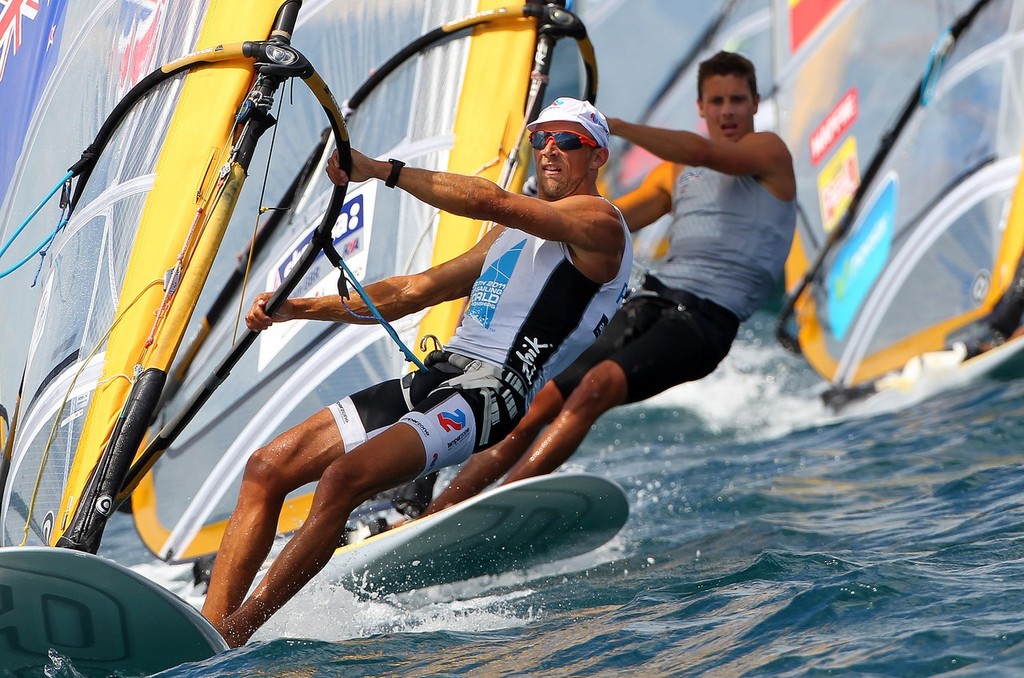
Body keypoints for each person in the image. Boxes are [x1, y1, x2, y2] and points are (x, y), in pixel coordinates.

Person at [200, 97, 632, 647]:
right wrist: (299, 308)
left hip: (486, 397)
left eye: (567, 141)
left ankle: (239, 632)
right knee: (266, 469)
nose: (550, 149)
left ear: (596, 158)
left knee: (342, 480)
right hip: (437, 375)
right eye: (541, 137)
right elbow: (412, 291)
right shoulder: (510, 237)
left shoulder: (601, 224)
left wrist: (383, 171)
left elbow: (490, 200)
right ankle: (209, 632)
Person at [420, 50, 797, 514]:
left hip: (705, 322)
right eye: (716, 101)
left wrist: (610, 126)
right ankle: (435, 513)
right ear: (700, 107)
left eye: (737, 99)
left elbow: (702, 151)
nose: (727, 111)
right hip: (652, 300)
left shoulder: (769, 154)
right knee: (534, 399)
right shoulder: (674, 175)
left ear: (756, 103)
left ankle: (495, 510)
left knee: (595, 387)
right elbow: (603, 223)